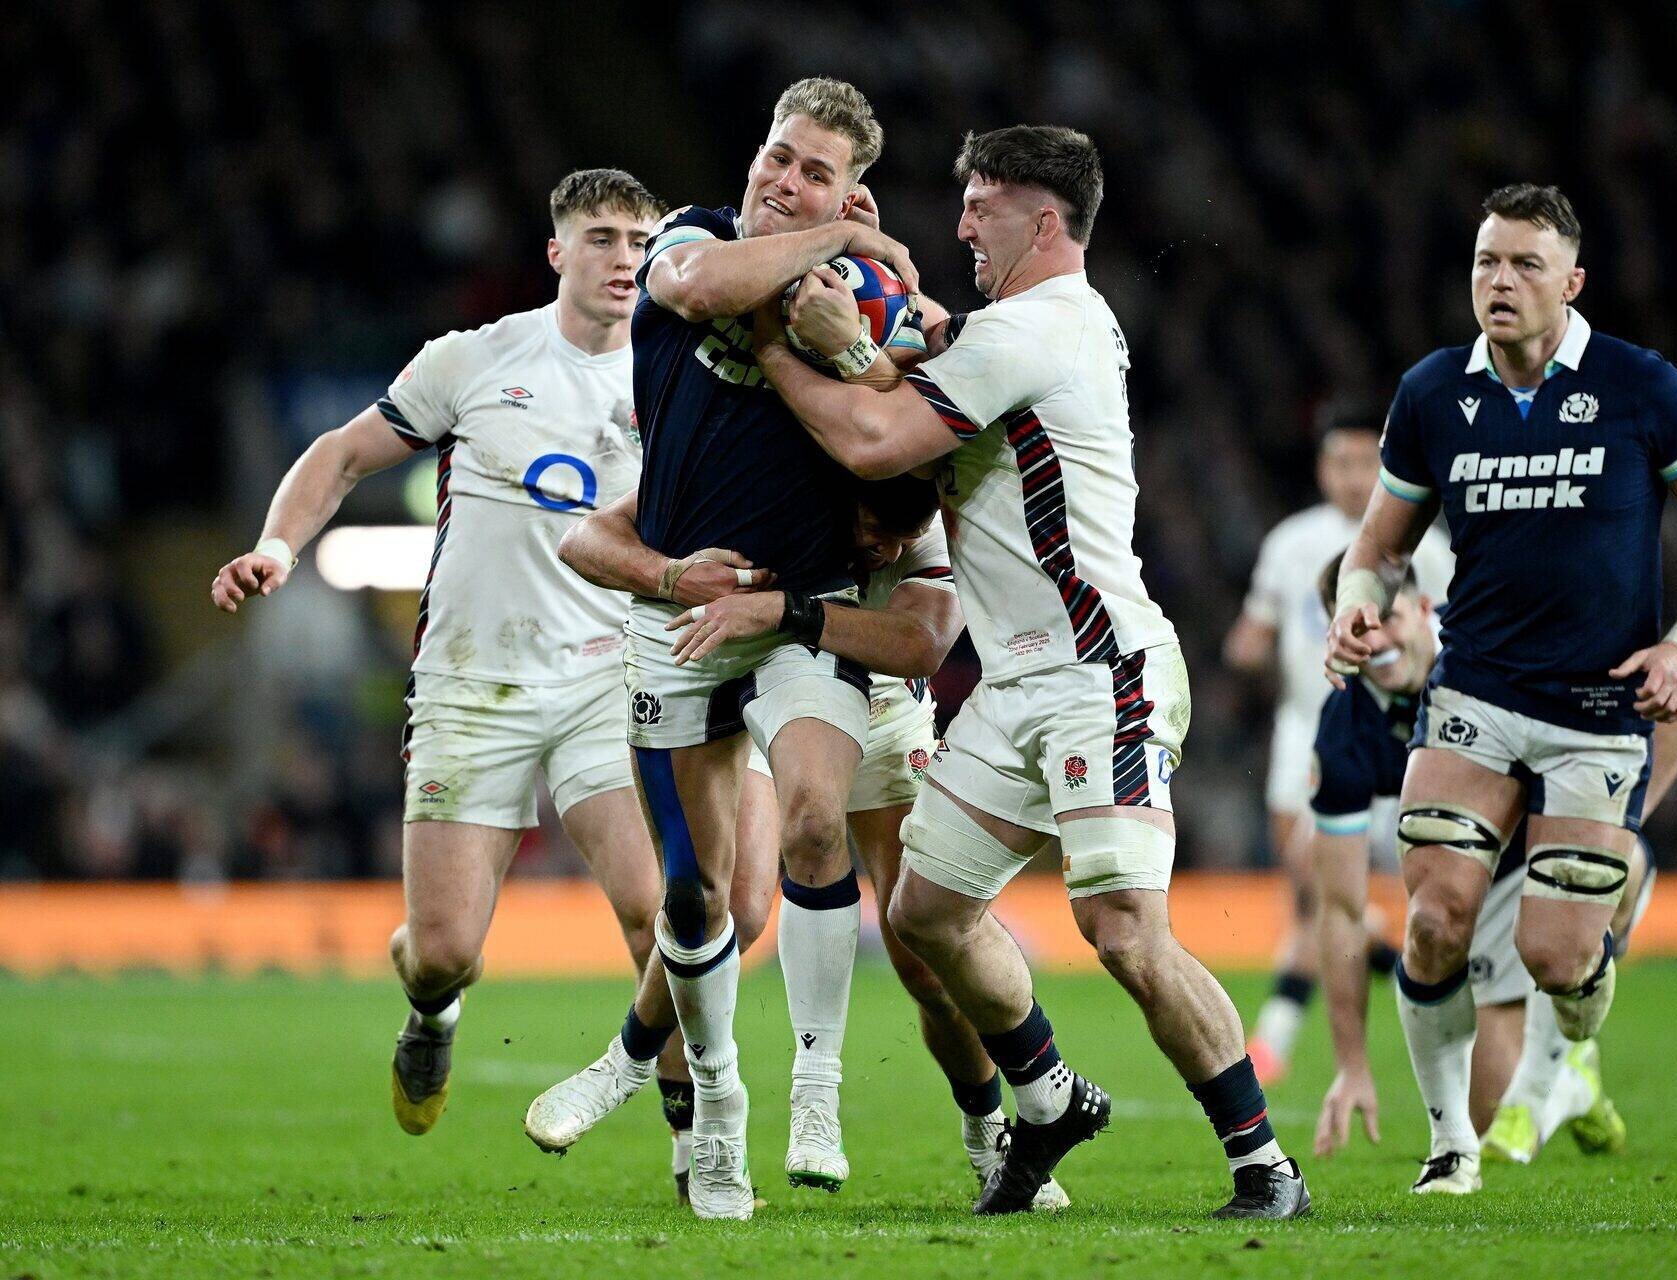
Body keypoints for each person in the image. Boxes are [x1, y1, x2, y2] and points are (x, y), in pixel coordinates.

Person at [747, 124, 1310, 1221]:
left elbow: (874, 441)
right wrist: (897, 307)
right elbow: (936, 355)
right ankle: (1049, 1098)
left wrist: (776, 341)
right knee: (923, 910)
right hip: (1012, 684)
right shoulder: (1025, 328)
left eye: (980, 205)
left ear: (1042, 221)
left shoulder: (1041, 327)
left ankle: (1264, 1164)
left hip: (1102, 668)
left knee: (1122, 930)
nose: (960, 224)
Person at [209, 169, 673, 1137]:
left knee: (660, 914)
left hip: (608, 675)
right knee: (443, 949)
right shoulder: (476, 359)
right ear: (557, 252)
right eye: (602, 238)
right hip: (474, 682)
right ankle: (433, 1006)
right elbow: (339, 453)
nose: (624, 258)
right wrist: (276, 545)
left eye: (639, 240)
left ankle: (697, 1142)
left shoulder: (673, 381)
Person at [1325, 183, 1677, 1194]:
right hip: (1476, 691)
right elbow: (1377, 545)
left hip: (1599, 709)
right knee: (1434, 917)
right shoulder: (1435, 392)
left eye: (1525, 264)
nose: (1501, 282)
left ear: (1572, 281)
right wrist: (1357, 600)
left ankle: (1569, 1057)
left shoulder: (1642, 386)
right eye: (1486, 262)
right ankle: (1450, 1145)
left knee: (1558, 956)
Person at [528, 478, 1066, 1209]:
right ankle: (628, 1062)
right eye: (878, 526)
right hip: (768, 685)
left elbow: (924, 643)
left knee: (927, 959)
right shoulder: (768, 480)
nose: (892, 549)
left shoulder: (927, 523)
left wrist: (794, 609)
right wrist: (671, 574)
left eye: (907, 538)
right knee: (738, 904)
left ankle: (988, 1132)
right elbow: (584, 537)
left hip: (882, 710)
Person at [589, 76, 925, 1221]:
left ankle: (815, 1088)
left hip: (800, 606)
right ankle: (717, 1108)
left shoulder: (866, 298)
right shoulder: (693, 238)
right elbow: (691, 285)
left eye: (816, 172)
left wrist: (877, 325)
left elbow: (917, 446)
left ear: (855, 185)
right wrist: (839, 234)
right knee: (693, 896)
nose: (784, 182)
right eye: (779, 158)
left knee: (820, 820)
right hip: (683, 616)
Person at [1303, 554, 1677, 1163]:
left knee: (1615, 869)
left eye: (1385, 619)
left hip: (1560, 844)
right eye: (1357, 629)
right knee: (1491, 1114)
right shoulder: (1344, 730)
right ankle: (1574, 1076)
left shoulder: (1498, 642)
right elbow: (1338, 909)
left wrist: (1614, 822)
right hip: (1481, 883)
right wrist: (1352, 1065)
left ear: (1422, 609)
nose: (1377, 640)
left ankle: (1559, 1049)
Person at [1226, 411, 1452, 1085]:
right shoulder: (1291, 542)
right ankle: (1281, 1035)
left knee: (1330, 882)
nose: (1354, 478)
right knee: (1310, 892)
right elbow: (1256, 632)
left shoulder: (1427, 547)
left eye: (1366, 463)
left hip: (1405, 735)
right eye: (1341, 463)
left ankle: (1292, 1026)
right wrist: (1244, 649)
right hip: (1306, 728)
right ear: (1322, 469)